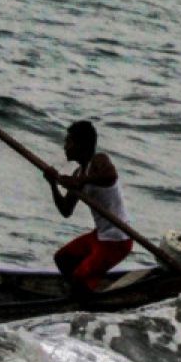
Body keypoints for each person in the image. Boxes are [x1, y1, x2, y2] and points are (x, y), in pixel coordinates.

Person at [42, 120, 132, 292]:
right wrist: (53, 184)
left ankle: (84, 296)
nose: (65, 147)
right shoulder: (78, 173)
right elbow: (66, 210)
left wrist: (79, 182)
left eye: (69, 142)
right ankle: (82, 289)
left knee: (79, 277)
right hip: (100, 236)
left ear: (81, 145)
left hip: (118, 240)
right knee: (62, 259)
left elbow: (110, 176)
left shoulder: (99, 161)